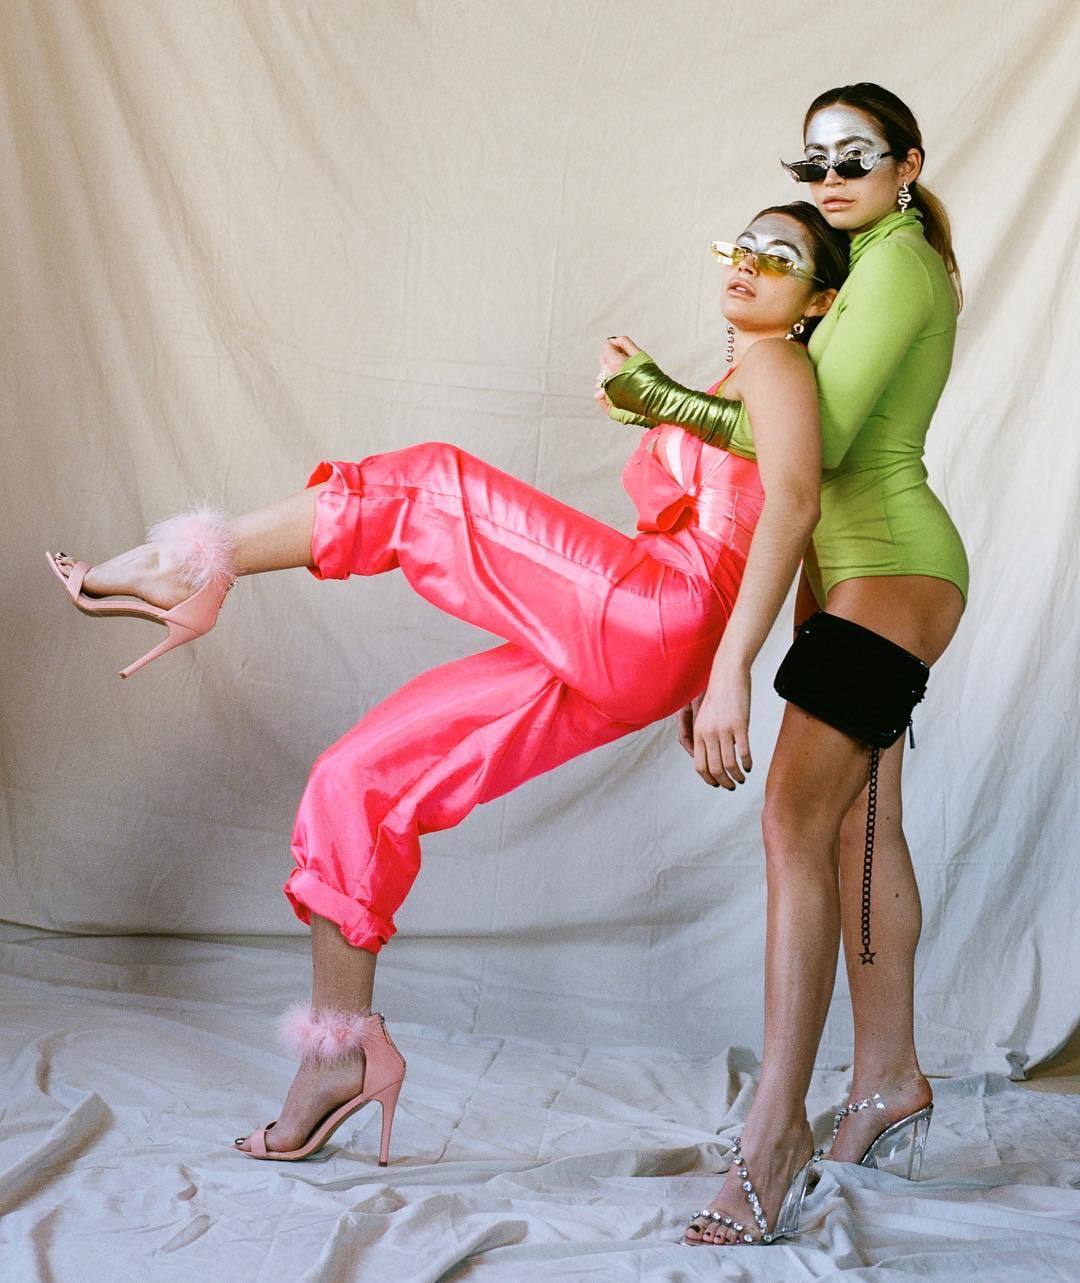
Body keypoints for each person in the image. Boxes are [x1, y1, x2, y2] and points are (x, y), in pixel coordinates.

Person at [46, 203, 847, 1185]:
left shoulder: (779, 365)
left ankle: (194, 565)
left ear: (820, 299)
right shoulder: (740, 381)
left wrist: (728, 668)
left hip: (657, 612)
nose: (751, 264)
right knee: (359, 778)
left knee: (429, 486)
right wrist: (706, 656)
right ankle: (337, 1054)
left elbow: (795, 508)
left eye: (782, 257)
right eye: (744, 246)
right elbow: (770, 523)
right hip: (653, 633)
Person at [606, 83, 967, 1248]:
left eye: (856, 156)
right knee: (858, 827)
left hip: (890, 569)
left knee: (791, 824)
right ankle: (888, 1079)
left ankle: (776, 1131)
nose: (830, 178)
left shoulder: (897, 262)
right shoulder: (868, 265)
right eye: (814, 161)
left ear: (908, 164)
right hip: (864, 576)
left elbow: (820, 445)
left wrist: (666, 397)